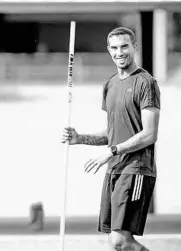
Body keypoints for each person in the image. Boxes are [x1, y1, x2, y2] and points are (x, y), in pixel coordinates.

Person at [61, 27, 160, 251]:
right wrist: (80, 138)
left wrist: (112, 151)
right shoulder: (110, 84)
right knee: (115, 243)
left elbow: (149, 133)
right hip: (114, 169)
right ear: (108, 50)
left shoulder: (146, 82)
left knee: (121, 241)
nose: (120, 52)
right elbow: (112, 131)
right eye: (114, 48)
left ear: (135, 47)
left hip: (136, 169)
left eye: (125, 46)